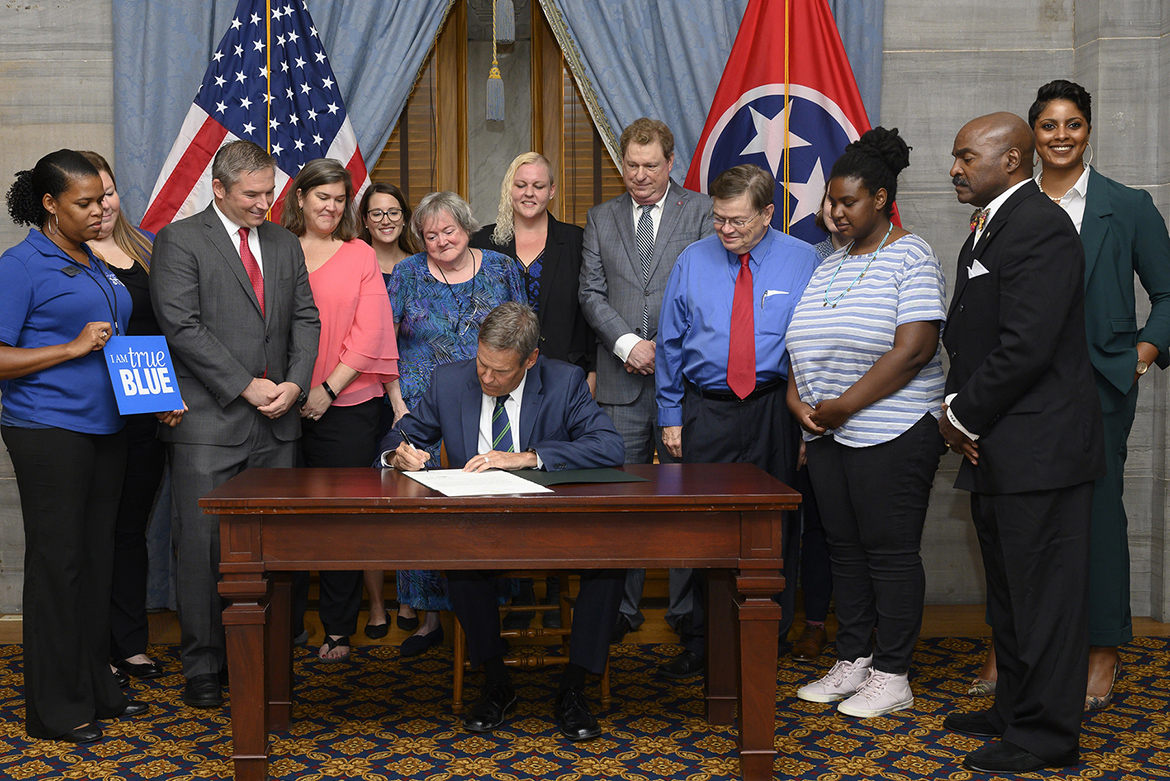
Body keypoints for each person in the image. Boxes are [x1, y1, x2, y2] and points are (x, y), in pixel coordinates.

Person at [969, 80, 1170, 710]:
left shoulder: (1127, 205)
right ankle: (1014, 646)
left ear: (1089, 130)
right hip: (1019, 392)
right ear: (1030, 137)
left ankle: (1102, 649)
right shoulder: (1002, 205)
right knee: (1013, 522)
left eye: (1073, 124)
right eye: (1049, 125)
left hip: (1099, 389)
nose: (1061, 136)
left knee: (1096, 516)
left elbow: (1167, 296)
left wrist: (1139, 356)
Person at [939, 112, 1105, 773]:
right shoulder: (991, 223)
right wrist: (969, 419)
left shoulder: (1040, 226)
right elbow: (972, 330)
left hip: (1041, 452)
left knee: (1046, 601)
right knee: (1010, 593)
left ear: (1010, 160)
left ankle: (1046, 735)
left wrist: (959, 416)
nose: (954, 168)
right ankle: (1013, 706)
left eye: (964, 157)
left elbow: (1025, 348)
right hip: (1001, 446)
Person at [378, 302, 625, 741]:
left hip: (548, 524)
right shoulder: (450, 380)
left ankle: (574, 687)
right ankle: (495, 680)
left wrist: (530, 457)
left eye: (501, 372)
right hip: (476, 524)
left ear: (530, 360)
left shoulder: (564, 381)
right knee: (460, 561)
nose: (487, 379)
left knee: (609, 561)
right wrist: (397, 453)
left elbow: (609, 447)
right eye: (482, 365)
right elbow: (399, 435)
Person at [151, 140, 320, 709]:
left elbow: (305, 317)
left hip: (278, 426)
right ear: (218, 189)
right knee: (202, 549)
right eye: (252, 194)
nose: (264, 203)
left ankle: (266, 658)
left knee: (274, 550)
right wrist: (245, 385)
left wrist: (296, 384)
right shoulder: (181, 240)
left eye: (269, 192)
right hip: (209, 422)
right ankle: (204, 664)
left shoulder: (282, 241)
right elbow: (182, 326)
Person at [786, 127, 947, 718]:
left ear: (880, 198)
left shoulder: (911, 254)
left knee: (890, 552)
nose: (835, 213)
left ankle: (894, 671)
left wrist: (845, 405)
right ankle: (853, 659)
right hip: (828, 433)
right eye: (831, 202)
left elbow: (914, 348)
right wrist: (797, 401)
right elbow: (800, 344)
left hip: (895, 430)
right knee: (845, 551)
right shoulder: (827, 265)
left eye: (848, 202)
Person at [1, 150, 148, 742]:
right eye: (84, 203)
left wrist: (149, 394)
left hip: (106, 429)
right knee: (59, 567)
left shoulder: (91, 261)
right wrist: (68, 348)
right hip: (47, 431)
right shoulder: (20, 266)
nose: (99, 210)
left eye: (102, 200)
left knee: (95, 562)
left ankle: (94, 685)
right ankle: (56, 708)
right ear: (49, 205)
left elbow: (113, 345)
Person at [656, 163, 817, 677]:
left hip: (776, 407)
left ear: (768, 213)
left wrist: (807, 426)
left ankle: (771, 639)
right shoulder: (691, 260)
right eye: (718, 220)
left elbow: (812, 347)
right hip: (708, 407)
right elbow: (671, 344)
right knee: (705, 530)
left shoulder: (802, 260)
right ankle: (703, 639)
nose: (725, 231)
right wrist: (670, 415)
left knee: (776, 528)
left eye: (738, 222)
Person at [578, 117, 713, 651]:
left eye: (649, 165)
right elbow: (590, 293)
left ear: (670, 163)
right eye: (631, 165)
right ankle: (622, 608)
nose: (639, 174)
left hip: (686, 379)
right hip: (620, 381)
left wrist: (668, 350)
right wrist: (628, 345)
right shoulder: (601, 217)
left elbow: (709, 286)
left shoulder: (702, 211)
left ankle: (685, 610)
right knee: (621, 499)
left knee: (684, 498)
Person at [385, 191, 526, 656]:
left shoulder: (503, 268)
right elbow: (386, 344)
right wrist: (398, 407)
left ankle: (492, 614)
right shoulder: (406, 274)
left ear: (467, 228)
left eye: (450, 231)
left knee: (488, 509)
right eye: (430, 235)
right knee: (426, 511)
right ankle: (429, 620)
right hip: (425, 408)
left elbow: (525, 329)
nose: (441, 240)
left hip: (493, 405)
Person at [280, 159, 399, 661]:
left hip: (346, 405)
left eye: (338, 199)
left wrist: (327, 388)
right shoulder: (273, 248)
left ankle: (337, 628)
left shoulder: (359, 255)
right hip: (275, 405)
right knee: (283, 521)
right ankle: (285, 626)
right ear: (301, 197)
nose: (330, 207)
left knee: (339, 520)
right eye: (320, 196)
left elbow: (370, 332)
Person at [472, 151, 596, 630]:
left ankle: (553, 588)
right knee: (505, 481)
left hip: (562, 378)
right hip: (503, 380)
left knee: (550, 476)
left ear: (552, 191)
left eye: (538, 186)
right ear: (509, 187)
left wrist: (587, 370)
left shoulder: (575, 240)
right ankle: (509, 593)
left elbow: (587, 309)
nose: (529, 193)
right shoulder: (486, 241)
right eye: (521, 184)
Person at [78, 150, 174, 684]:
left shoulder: (146, 249)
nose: (104, 204)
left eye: (109, 191)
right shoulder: (68, 255)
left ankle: (130, 642)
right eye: (92, 197)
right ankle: (95, 649)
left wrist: (169, 396)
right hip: (90, 414)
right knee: (94, 531)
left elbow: (169, 329)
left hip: (146, 411)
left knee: (130, 531)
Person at [357, 182, 418, 640]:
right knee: (372, 506)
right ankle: (377, 606)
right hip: (363, 396)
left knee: (413, 502)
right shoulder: (353, 262)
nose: (385, 220)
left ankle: (412, 599)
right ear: (364, 219)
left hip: (414, 398)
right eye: (376, 213)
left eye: (393, 211)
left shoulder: (419, 264)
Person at [786, 192, 843, 663]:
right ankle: (813, 624)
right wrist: (802, 423)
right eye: (831, 203)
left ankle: (860, 632)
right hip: (810, 418)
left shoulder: (899, 255)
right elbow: (792, 339)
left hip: (874, 417)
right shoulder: (808, 261)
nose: (838, 212)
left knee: (858, 534)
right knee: (813, 532)